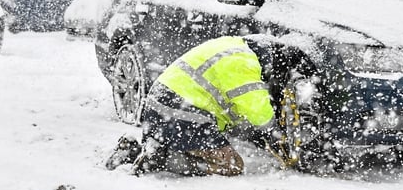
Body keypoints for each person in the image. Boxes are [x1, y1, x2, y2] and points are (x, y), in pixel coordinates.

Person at [105, 35, 276, 176]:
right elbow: (257, 111)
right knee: (233, 165)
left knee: (184, 145)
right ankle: (160, 161)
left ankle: (136, 150)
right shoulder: (245, 61)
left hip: (159, 105)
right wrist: (275, 132)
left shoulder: (229, 45)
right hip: (183, 113)